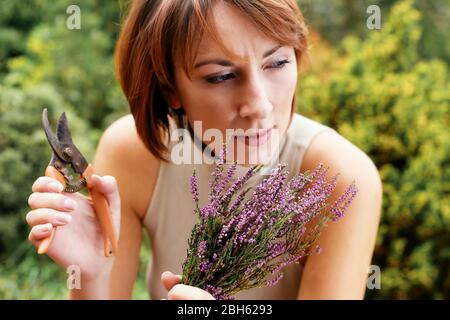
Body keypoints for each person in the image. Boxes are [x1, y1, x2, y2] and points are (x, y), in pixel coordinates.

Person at [26, 0, 382, 300]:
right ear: (170, 89)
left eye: (276, 63)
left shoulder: (342, 180)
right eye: (221, 76)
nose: (258, 105)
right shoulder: (133, 153)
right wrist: (91, 278)